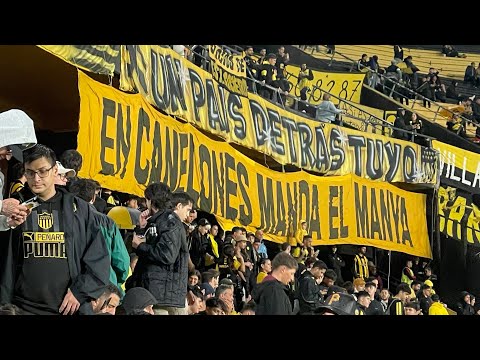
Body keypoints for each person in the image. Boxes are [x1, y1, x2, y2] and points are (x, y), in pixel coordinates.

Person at [0, 144, 111, 314]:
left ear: (54, 171)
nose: (36, 178)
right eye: (30, 172)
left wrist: (79, 292)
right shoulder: (17, 207)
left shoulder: (80, 210)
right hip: (22, 307)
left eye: (42, 171)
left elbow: (99, 258)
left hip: (66, 309)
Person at [128, 185, 194, 315]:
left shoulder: (169, 221)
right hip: (159, 294)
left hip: (163, 298)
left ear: (150, 201)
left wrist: (140, 246)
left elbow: (166, 255)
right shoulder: (160, 220)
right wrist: (141, 228)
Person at [69, 178, 130, 294]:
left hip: (73, 288)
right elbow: (122, 261)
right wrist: (116, 279)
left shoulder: (65, 220)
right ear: (93, 198)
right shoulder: (107, 222)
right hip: (105, 285)